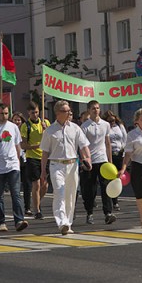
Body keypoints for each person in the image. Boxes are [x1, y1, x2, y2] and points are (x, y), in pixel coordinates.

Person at [40, 100, 91, 235]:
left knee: (71, 195)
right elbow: (45, 152)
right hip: (56, 165)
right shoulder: (49, 131)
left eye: (69, 110)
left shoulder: (75, 128)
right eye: (65, 111)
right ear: (57, 113)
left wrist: (88, 159)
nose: (69, 113)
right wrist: (43, 172)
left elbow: (84, 145)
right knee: (60, 192)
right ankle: (61, 222)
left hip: (73, 165)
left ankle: (68, 224)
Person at [0, 103, 29, 232]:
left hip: (13, 165)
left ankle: (19, 220)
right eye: (2, 113)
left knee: (16, 194)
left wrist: (18, 161)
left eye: (6, 113)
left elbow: (17, 146)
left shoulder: (13, 127)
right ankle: (1, 222)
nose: (4, 116)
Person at [80, 100, 116, 225]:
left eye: (97, 108)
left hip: (102, 160)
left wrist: (110, 161)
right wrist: (84, 161)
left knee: (106, 187)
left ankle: (108, 213)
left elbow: (107, 143)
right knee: (90, 189)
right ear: (89, 111)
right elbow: (82, 145)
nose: (96, 110)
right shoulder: (85, 126)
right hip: (90, 161)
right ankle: (89, 212)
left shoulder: (105, 124)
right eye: (93, 108)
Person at [20, 101, 50, 220]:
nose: (35, 115)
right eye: (33, 113)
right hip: (32, 157)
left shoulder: (45, 122)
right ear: (29, 113)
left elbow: (52, 138)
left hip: (45, 157)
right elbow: (23, 145)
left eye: (37, 112)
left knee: (45, 185)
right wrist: (35, 146)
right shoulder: (25, 126)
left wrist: (46, 130)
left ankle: (36, 202)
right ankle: (37, 210)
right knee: (36, 184)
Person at [103, 110, 127, 211]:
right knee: (111, 178)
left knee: (118, 177)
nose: (112, 122)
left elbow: (125, 138)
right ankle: (114, 201)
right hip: (110, 154)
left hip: (119, 154)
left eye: (113, 120)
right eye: (110, 121)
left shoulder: (119, 126)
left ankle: (115, 198)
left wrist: (123, 150)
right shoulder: (105, 128)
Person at [11, 111, 31, 216]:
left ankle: (28, 207)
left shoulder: (25, 129)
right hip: (14, 161)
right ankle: (17, 208)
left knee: (27, 185)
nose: (17, 122)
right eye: (15, 120)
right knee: (16, 186)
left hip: (25, 160)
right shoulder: (10, 130)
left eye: (18, 120)